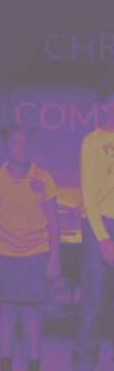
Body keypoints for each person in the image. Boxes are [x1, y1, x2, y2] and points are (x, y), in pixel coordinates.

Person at [0, 125, 61, 371]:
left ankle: (33, 364)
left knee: (31, 310)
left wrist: (54, 257)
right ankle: (5, 364)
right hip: (3, 253)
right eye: (15, 143)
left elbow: (53, 218)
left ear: (33, 146)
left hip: (36, 252)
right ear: (5, 147)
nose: (22, 147)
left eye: (26, 143)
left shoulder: (44, 178)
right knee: (7, 309)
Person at [73, 74, 114, 371]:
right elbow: (88, 193)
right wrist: (103, 238)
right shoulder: (92, 142)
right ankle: (85, 362)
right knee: (93, 299)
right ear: (104, 106)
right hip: (99, 226)